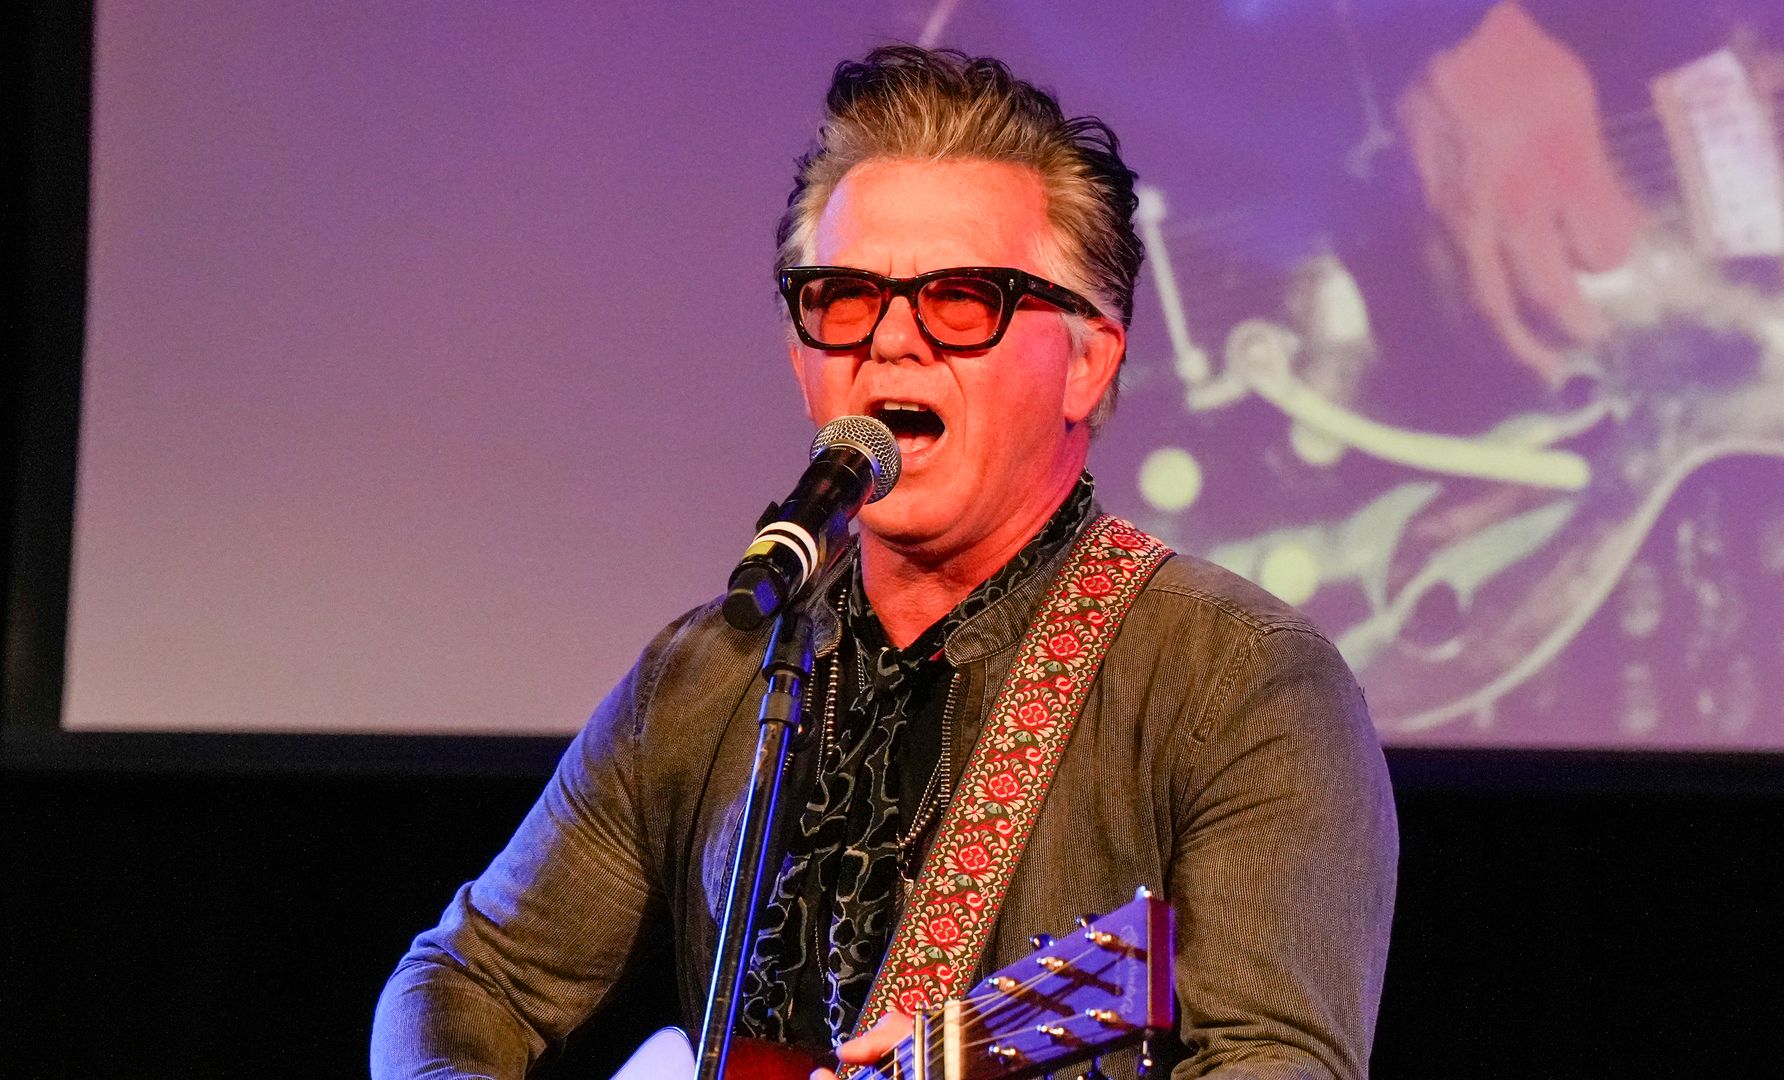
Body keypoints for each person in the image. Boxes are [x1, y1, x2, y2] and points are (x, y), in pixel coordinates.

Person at [372, 45, 1397, 1080]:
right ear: (800, 356)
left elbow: (1280, 1062)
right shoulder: (707, 672)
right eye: (848, 296)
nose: (893, 339)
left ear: (1089, 360)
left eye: (962, 297)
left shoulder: (1241, 682)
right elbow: (459, 985)